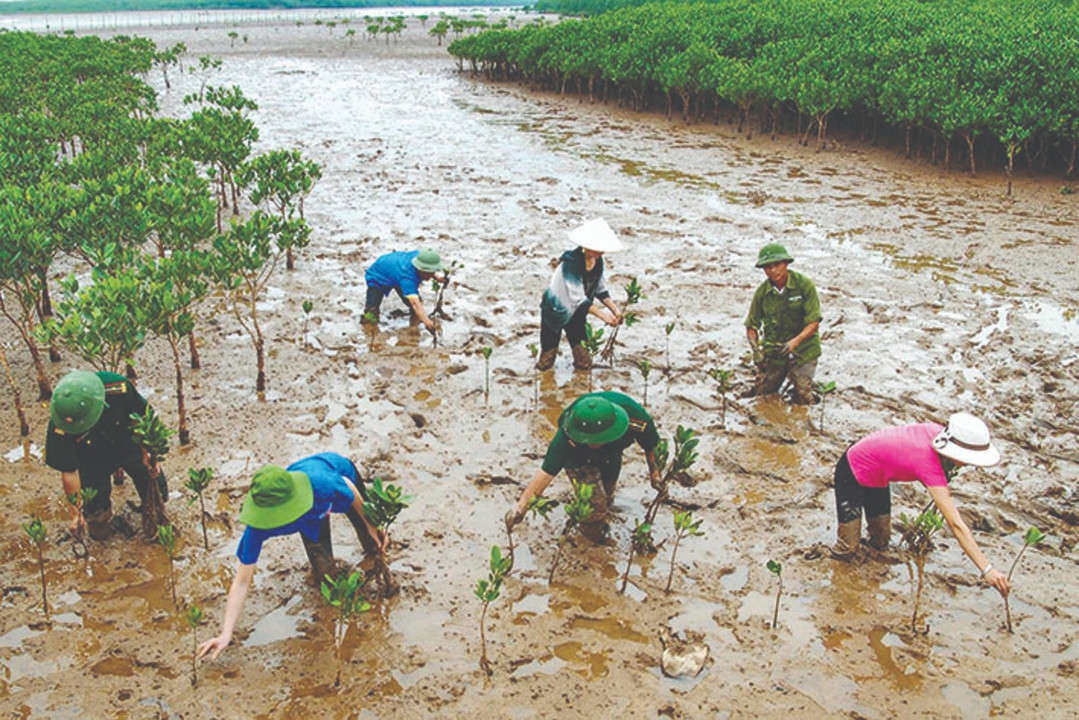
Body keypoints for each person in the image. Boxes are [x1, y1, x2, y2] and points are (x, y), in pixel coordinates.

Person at [197, 452, 386, 660]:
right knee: (324, 573)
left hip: (334, 478)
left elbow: (348, 487)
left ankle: (374, 553)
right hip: (312, 513)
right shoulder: (258, 527)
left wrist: (371, 525)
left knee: (374, 542)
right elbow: (241, 581)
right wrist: (226, 634)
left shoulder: (321, 484)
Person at [831, 412, 1010, 598]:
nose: (968, 464)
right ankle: (838, 587)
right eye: (968, 459)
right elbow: (956, 524)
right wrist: (987, 569)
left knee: (881, 540)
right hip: (852, 469)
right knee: (848, 549)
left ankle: (869, 580)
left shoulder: (939, 433)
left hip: (878, 475)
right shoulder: (928, 464)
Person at [505, 392, 661, 539]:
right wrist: (520, 508)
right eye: (590, 439)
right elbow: (546, 472)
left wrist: (655, 474)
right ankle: (590, 536)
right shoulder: (567, 435)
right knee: (594, 506)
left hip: (612, 452)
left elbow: (651, 446)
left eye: (598, 439)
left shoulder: (635, 421)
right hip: (578, 456)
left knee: (608, 492)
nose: (593, 444)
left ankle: (601, 507)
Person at [45, 369, 167, 540]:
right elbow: (69, 472)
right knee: (94, 510)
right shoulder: (61, 422)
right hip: (90, 456)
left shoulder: (116, 387)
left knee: (152, 482)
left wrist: (148, 453)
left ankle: (154, 516)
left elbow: (143, 417)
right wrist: (76, 514)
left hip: (127, 440)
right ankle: (101, 527)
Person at [536, 218, 624, 371]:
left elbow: (600, 288)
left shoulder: (598, 261)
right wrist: (603, 316)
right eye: (598, 248)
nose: (601, 251)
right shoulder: (571, 264)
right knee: (547, 359)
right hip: (556, 311)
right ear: (587, 246)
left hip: (577, 313)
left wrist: (614, 310)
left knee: (584, 360)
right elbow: (577, 297)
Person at [743, 243, 821, 404]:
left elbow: (813, 322)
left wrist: (795, 342)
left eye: (777, 265)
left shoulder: (804, 285)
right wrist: (756, 350)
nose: (773, 271)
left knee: (803, 393)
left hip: (804, 349)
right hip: (775, 350)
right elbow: (751, 325)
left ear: (786, 264)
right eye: (767, 267)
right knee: (764, 393)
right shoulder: (763, 293)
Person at [362, 249, 444, 333]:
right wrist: (427, 322)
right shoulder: (407, 279)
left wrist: (437, 277)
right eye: (429, 274)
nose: (430, 277)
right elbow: (415, 304)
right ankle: (369, 333)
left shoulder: (419, 257)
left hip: (395, 271)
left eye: (433, 272)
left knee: (415, 306)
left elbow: (427, 268)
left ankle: (414, 326)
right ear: (420, 269)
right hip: (378, 275)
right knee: (371, 313)